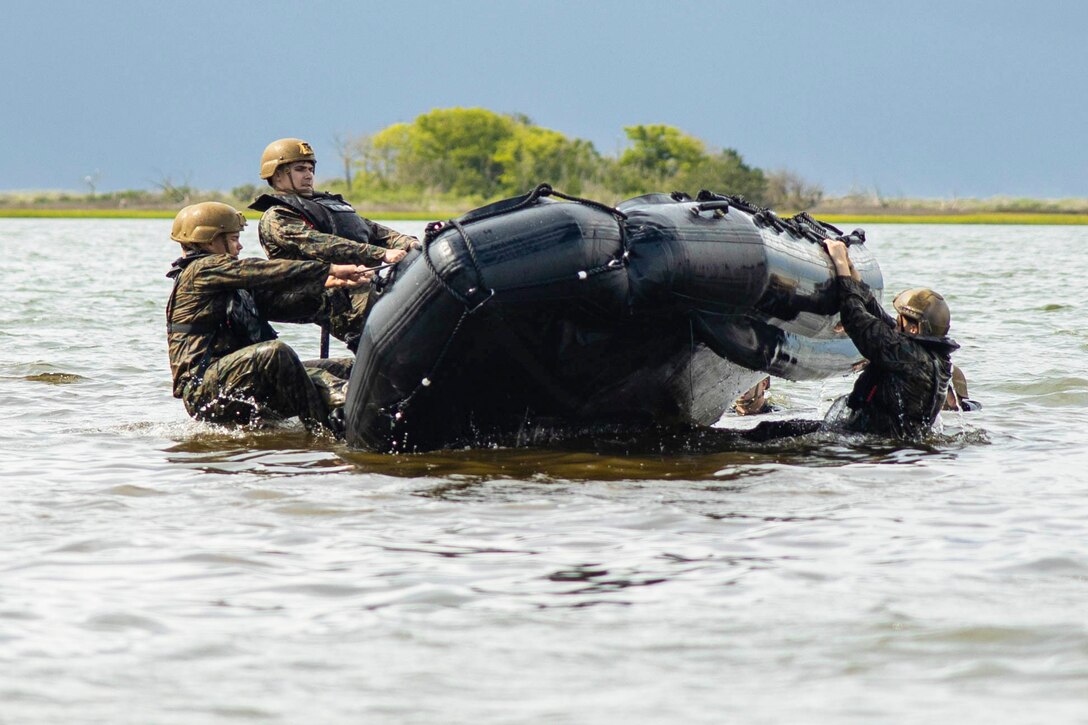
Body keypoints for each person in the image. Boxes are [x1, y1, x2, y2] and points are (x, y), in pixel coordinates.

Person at [166, 201, 371, 433]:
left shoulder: (230, 284)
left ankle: (365, 410)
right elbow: (260, 270)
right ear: (210, 241)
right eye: (234, 239)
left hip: (246, 380)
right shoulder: (201, 270)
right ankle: (324, 432)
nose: (240, 246)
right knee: (275, 352)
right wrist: (327, 269)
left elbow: (283, 300)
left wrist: (324, 285)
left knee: (348, 367)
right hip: (204, 390)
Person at [248, 138, 420, 351]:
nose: (308, 175)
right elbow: (320, 244)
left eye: (311, 169)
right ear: (278, 174)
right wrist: (381, 254)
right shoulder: (277, 216)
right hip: (306, 290)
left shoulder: (325, 206)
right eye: (300, 169)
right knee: (366, 295)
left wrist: (408, 243)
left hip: (352, 282)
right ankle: (378, 349)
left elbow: (373, 230)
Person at [819, 238, 960, 438]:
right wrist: (853, 273)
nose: (896, 321)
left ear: (914, 328)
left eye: (901, 318)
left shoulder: (907, 355)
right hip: (888, 440)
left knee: (769, 432)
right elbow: (883, 322)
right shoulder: (934, 359)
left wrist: (840, 264)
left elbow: (854, 317)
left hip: (868, 440)